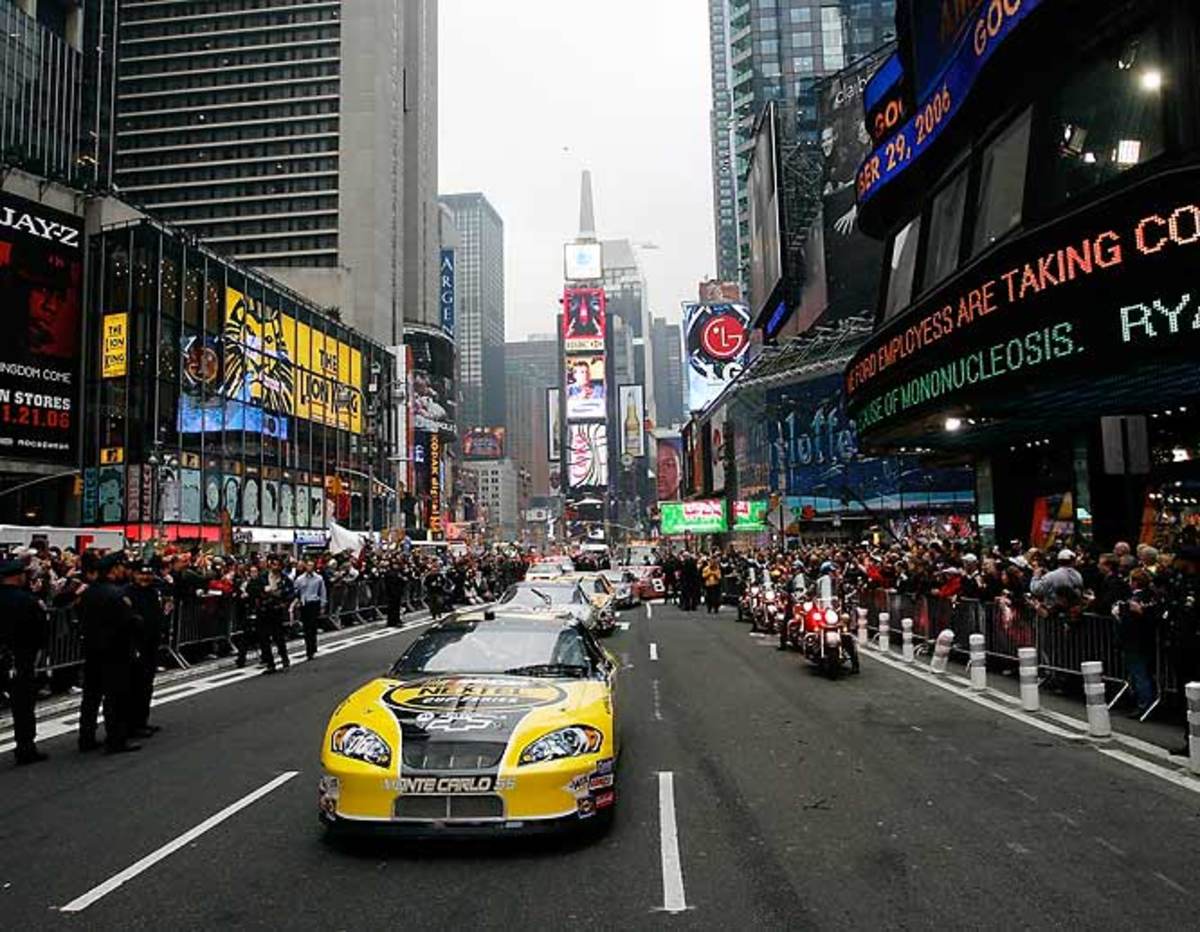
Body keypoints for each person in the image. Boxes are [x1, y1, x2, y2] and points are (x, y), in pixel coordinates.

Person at [78, 552, 140, 753]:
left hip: (92, 649)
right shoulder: (117, 594)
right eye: (120, 567)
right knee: (115, 697)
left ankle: (85, 738)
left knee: (91, 696)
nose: (123, 570)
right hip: (116, 651)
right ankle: (116, 739)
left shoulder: (87, 593)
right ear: (113, 570)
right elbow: (128, 622)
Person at [0, 558, 48, 764]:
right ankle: (25, 747)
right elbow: (40, 631)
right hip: (21, 657)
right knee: (23, 706)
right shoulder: (28, 600)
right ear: (19, 575)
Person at [126, 559, 166, 738]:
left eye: (148, 574)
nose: (145, 577)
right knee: (135, 686)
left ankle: (142, 721)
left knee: (146, 686)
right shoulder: (128, 593)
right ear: (134, 575)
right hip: (136, 645)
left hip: (151, 644)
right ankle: (132, 724)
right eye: (141, 574)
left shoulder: (153, 591)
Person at [248, 553, 294, 673]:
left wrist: (284, 600)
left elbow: (291, 593)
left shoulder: (285, 579)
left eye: (276, 563)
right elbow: (251, 589)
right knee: (264, 638)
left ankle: (284, 658)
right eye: (272, 563)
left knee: (278, 637)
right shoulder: (262, 577)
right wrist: (263, 591)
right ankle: (270, 663)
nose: (274, 566)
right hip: (263, 611)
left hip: (276, 610)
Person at [294, 558, 327, 660]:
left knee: (312, 627)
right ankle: (309, 648)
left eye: (311, 565)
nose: (309, 567)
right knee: (306, 627)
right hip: (304, 604)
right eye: (308, 565)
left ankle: (312, 647)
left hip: (314, 603)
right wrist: (297, 601)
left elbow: (322, 592)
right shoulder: (300, 579)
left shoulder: (319, 578)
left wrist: (322, 604)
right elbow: (296, 590)